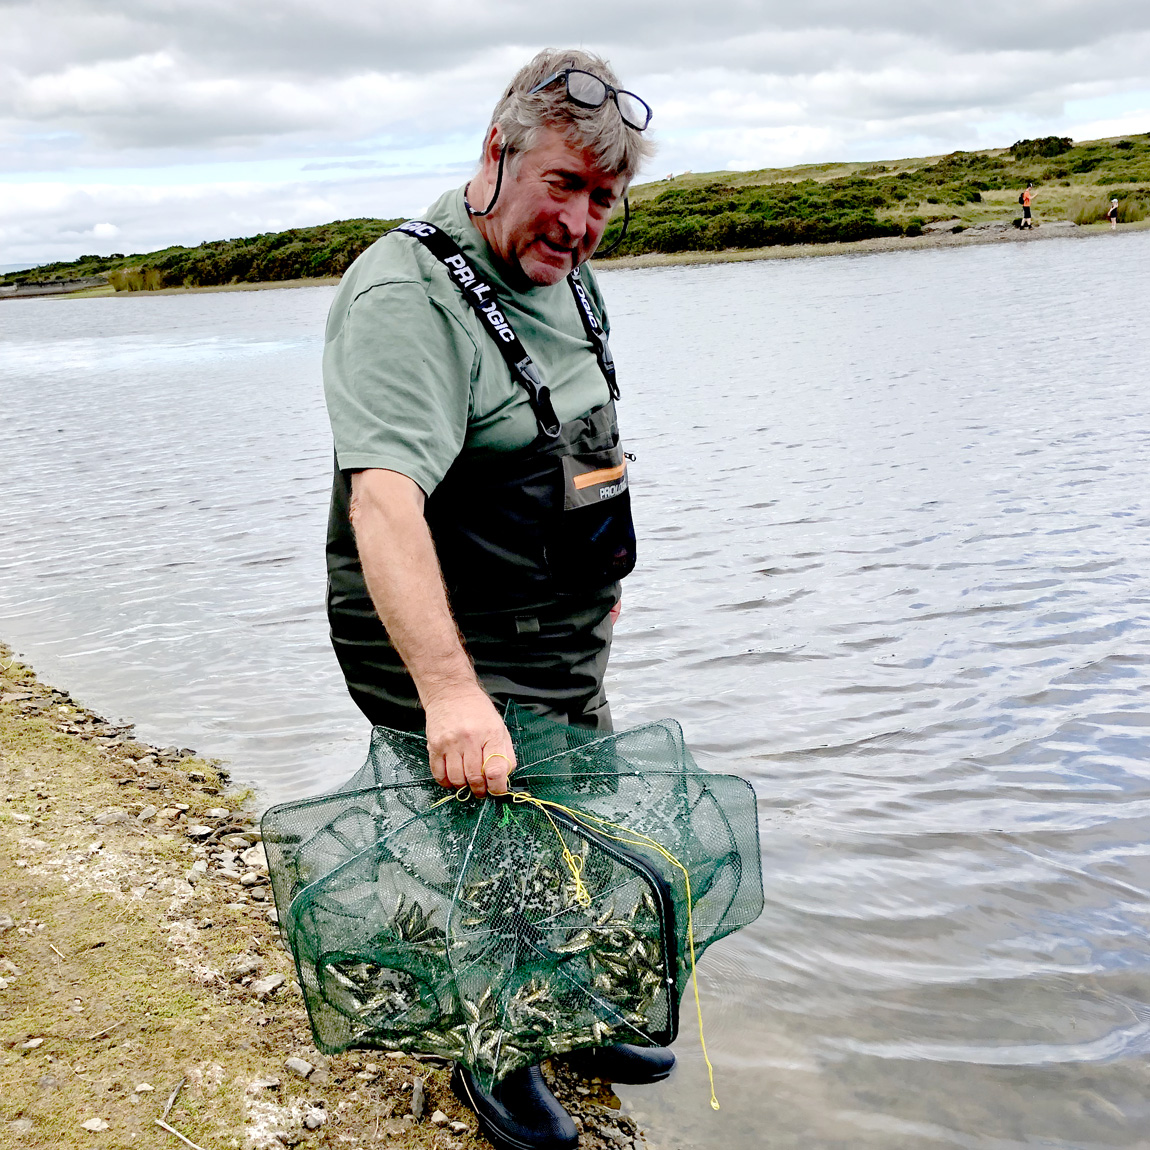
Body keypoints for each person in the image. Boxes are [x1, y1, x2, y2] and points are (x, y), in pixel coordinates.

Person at [322, 49, 672, 1150]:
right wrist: (449, 694)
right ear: (497, 153)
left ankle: (564, 1008)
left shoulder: (566, 269)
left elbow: (579, 440)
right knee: (489, 837)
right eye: (561, 185)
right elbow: (383, 503)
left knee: (580, 812)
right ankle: (492, 1050)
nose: (578, 223)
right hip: (440, 622)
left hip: (553, 615)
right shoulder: (404, 290)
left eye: (603, 201)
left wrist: (598, 592)